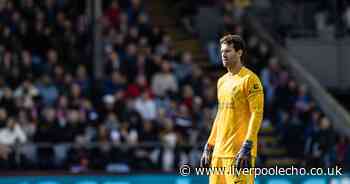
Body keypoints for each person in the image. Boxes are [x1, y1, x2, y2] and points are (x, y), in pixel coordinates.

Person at [200, 34, 264, 184]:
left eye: (228, 51)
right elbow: (220, 115)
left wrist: (247, 145)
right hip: (219, 153)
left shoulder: (250, 79)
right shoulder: (221, 81)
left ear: (239, 52)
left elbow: (257, 113)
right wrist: (209, 145)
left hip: (239, 153)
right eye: (222, 52)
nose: (223, 55)